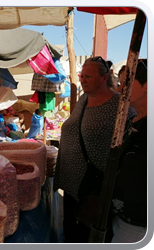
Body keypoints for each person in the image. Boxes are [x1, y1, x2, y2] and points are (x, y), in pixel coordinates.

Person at [53, 56, 136, 243]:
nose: (83, 80)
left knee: (86, 234)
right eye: (82, 76)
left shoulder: (119, 105)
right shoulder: (83, 99)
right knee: (69, 230)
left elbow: (132, 136)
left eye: (88, 77)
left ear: (104, 78)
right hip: (71, 182)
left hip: (92, 184)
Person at [110, 59, 147, 243]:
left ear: (147, 86)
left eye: (126, 84)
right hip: (120, 215)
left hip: (139, 224)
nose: (119, 90)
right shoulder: (132, 120)